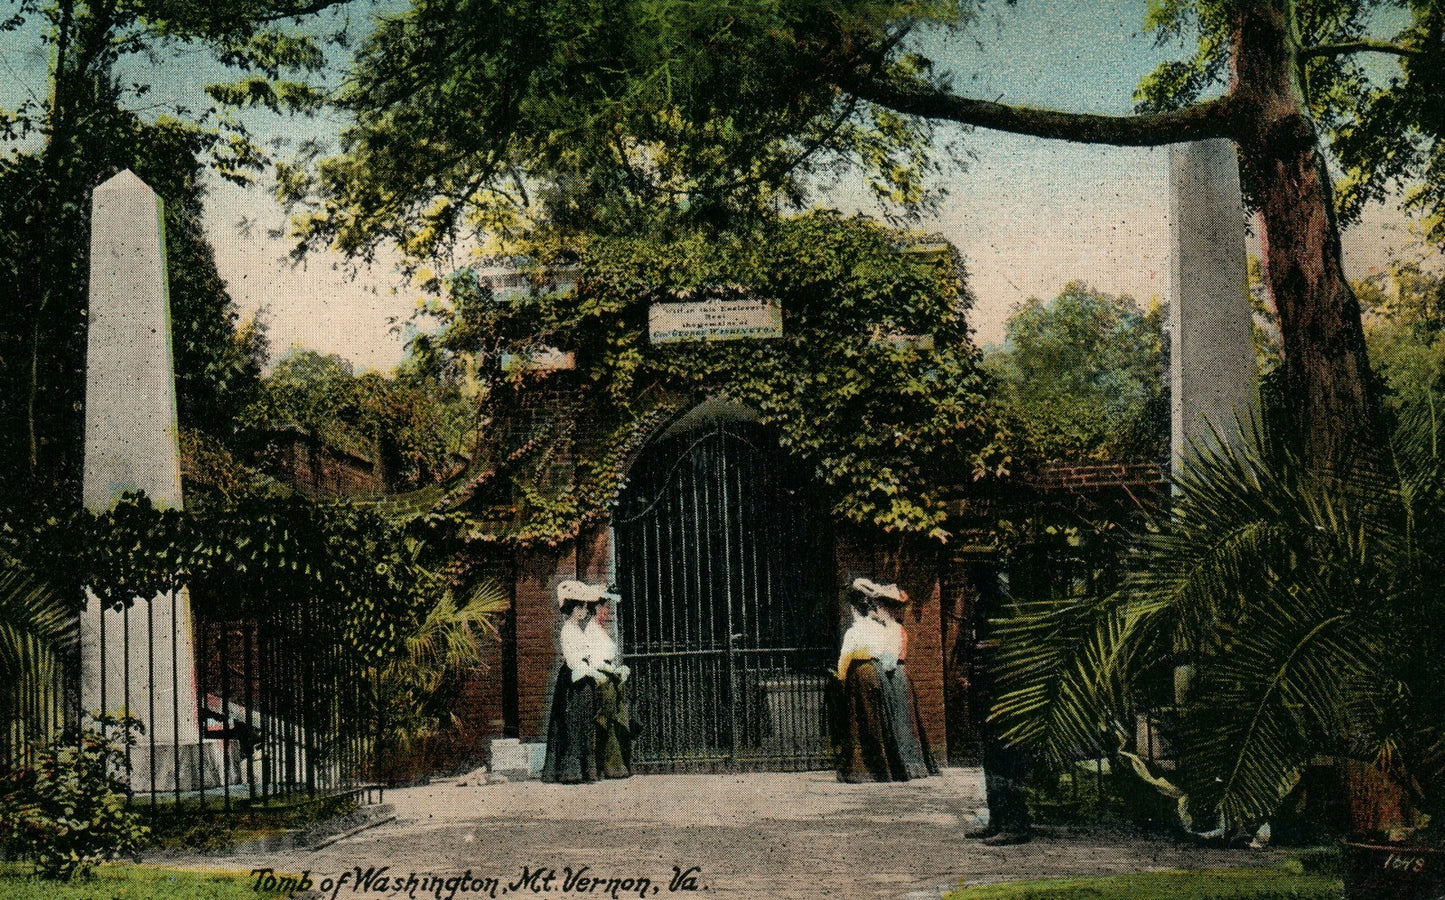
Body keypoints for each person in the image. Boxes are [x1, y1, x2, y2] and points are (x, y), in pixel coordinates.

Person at [833, 577, 930, 783]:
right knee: (889, 721)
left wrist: (841, 678)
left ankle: (867, 769)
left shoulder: (859, 631)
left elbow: (845, 658)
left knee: (863, 722)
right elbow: (887, 660)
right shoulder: (887, 629)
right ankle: (900, 765)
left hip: (865, 674)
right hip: (885, 675)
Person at [540, 580, 629, 783]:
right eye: (579, 606)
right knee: (572, 724)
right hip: (574, 682)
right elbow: (573, 662)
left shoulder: (577, 629)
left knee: (584, 723)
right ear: (571, 608)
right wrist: (592, 671)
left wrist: (600, 670)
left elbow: (588, 656)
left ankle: (585, 770)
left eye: (583, 606)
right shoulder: (567, 630)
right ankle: (571, 771)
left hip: (584, 679)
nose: (583, 610)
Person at [870, 586, 938, 780]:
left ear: (887, 608)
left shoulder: (893, 630)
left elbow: (889, 663)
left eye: (880, 606)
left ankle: (907, 766)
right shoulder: (891, 629)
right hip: (895, 676)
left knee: (901, 720)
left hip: (894, 676)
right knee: (899, 719)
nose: (877, 611)